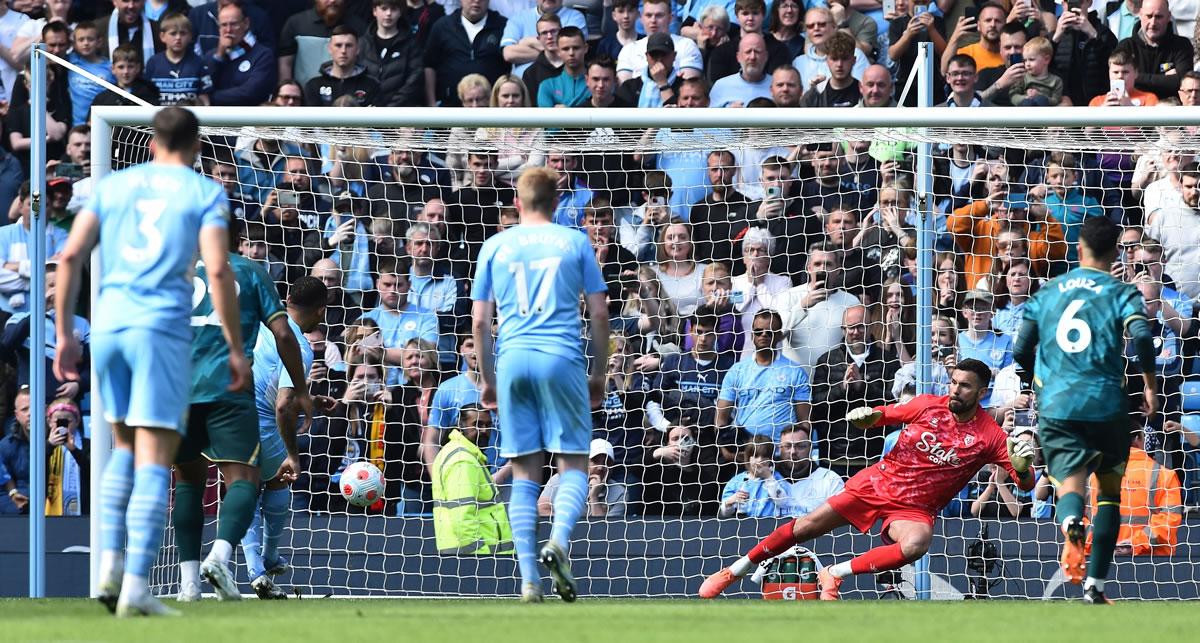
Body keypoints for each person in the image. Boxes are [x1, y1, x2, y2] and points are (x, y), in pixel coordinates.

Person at [52, 107, 251, 617]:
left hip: (110, 324)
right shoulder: (204, 192)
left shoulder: (113, 186)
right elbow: (218, 268)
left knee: (122, 443)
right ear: (196, 143)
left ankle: (108, 566)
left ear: (153, 140)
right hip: (159, 328)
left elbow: (71, 256)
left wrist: (65, 335)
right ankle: (136, 582)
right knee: (155, 455)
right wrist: (232, 343)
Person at [699, 359, 1036, 600]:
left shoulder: (990, 436)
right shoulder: (927, 405)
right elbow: (884, 415)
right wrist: (867, 418)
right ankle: (732, 572)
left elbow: (1027, 484)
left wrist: (1022, 467)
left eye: (965, 386)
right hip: (875, 485)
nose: (956, 390)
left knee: (917, 543)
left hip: (915, 508)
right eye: (954, 382)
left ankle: (834, 574)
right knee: (804, 527)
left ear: (982, 392)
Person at [471, 166, 609, 603]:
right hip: (561, 357)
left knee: (526, 474)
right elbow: (600, 314)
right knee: (572, 464)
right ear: (557, 201)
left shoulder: (495, 245)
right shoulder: (575, 242)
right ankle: (560, 541)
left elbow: (479, 321)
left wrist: (489, 380)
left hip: (512, 360)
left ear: (517, 202)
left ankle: (529, 580)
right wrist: (599, 373)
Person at [1013, 216, 1158, 604]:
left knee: (1069, 485)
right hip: (1108, 404)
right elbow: (1142, 337)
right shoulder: (1121, 291)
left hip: (1058, 405)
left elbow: (1020, 349)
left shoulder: (1047, 292)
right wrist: (1149, 383)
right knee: (1109, 492)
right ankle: (1095, 586)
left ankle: (1072, 522)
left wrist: (1033, 381)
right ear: (1116, 253)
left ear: (1078, 248)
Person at [172, 225, 315, 603]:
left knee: (188, 480)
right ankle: (220, 557)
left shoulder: (178, 273)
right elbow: (284, 334)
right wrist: (302, 390)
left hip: (178, 386)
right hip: (229, 386)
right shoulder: (250, 271)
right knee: (246, 478)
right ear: (237, 241)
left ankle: (188, 586)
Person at [239, 276, 329, 600]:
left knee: (243, 488)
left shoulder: (260, 323)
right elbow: (283, 404)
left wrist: (313, 402)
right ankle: (265, 561)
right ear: (321, 311)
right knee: (278, 481)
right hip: (262, 422)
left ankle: (259, 568)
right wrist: (294, 452)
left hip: (228, 415)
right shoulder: (299, 346)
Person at [811, 304, 899, 476]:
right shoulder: (826, 361)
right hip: (835, 457)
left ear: (870, 326)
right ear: (843, 330)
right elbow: (817, 407)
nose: (856, 332)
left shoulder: (887, 360)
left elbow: (894, 404)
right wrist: (843, 388)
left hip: (875, 457)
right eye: (851, 328)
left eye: (861, 326)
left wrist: (863, 387)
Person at [715, 309, 810, 445]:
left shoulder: (795, 371)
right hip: (746, 452)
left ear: (778, 335)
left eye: (769, 332)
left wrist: (798, 449)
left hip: (782, 453)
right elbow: (721, 419)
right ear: (752, 335)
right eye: (759, 331)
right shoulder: (737, 370)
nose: (763, 335)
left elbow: (804, 421)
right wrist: (726, 451)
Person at [431, 404, 513, 554]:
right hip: (478, 561)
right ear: (461, 425)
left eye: (488, 425)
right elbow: (463, 517)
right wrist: (480, 556)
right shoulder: (463, 461)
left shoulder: (462, 454)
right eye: (477, 424)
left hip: (471, 558)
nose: (484, 430)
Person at [1088, 431, 1183, 557]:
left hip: (1096, 558)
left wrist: (1099, 542)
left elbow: (1074, 518)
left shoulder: (1090, 475)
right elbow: (1169, 519)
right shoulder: (1165, 475)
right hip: (1151, 562)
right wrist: (1134, 543)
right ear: (1138, 438)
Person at [423, 0, 508, 106]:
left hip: (492, 107)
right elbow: (429, 66)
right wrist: (431, 104)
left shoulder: (503, 26)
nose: (476, 1)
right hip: (450, 107)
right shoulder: (442, 26)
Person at [1115, 0, 1193, 100]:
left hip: (1171, 112)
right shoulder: (1126, 47)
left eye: (1158, 17)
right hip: (1133, 111)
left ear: (1169, 17)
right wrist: (1165, 79)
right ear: (1140, 14)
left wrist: (1135, 77)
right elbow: (1119, 82)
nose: (1153, 23)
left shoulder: (1182, 46)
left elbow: (1183, 83)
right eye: (1149, 16)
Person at [205, 0, 277, 106]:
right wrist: (219, 56)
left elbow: (250, 93)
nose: (228, 30)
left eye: (233, 24)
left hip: (251, 119)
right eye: (224, 25)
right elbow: (204, 86)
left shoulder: (263, 55)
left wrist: (210, 97)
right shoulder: (211, 56)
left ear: (246, 23)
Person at [540, 438, 627, 518]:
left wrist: (594, 497)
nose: (601, 468)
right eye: (595, 461)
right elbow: (541, 510)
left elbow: (604, 530)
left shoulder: (620, 493)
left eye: (607, 462)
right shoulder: (559, 479)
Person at [360, 0, 424, 107]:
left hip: (400, 114)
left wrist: (390, 108)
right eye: (384, 9)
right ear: (374, 11)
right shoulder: (362, 44)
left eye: (393, 9)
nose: (389, 13)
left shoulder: (411, 44)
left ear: (400, 12)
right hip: (367, 112)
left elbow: (414, 80)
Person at [144, 11, 212, 106]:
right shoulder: (153, 62)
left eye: (183, 33)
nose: (178, 38)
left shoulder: (198, 63)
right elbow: (147, 96)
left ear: (190, 36)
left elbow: (204, 97)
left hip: (189, 118)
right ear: (162, 36)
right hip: (161, 117)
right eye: (173, 33)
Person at [303, 25, 380, 107]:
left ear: (357, 49)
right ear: (329, 48)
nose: (343, 51)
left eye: (349, 45)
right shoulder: (314, 86)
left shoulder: (371, 85)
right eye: (338, 45)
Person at [777, 424, 843, 518]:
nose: (793, 452)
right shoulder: (765, 480)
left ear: (810, 447)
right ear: (779, 449)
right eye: (787, 446)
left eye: (800, 446)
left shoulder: (830, 480)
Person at [718, 436, 789, 518]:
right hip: (744, 525)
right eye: (756, 456)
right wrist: (729, 502)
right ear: (748, 458)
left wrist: (769, 478)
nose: (760, 460)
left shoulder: (776, 477)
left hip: (769, 523)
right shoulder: (736, 481)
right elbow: (724, 513)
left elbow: (783, 502)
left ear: (771, 459)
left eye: (765, 457)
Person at [709, 32, 771, 107]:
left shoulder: (778, 86)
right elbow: (708, 117)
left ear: (766, 56)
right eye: (748, 52)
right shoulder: (721, 86)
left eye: (757, 52)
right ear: (738, 57)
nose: (752, 57)